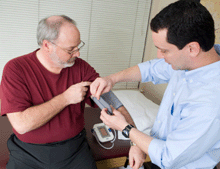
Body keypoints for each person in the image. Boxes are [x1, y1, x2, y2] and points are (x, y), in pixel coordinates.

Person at [0, 15, 145, 169]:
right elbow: (21, 125)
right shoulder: (16, 69)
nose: (77, 54)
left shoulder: (81, 67)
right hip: (28, 153)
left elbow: (114, 103)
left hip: (74, 150)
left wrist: (136, 142)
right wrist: (66, 98)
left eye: (78, 46)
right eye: (71, 49)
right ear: (47, 45)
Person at [90, 0, 220, 168]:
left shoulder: (210, 103)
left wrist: (126, 128)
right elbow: (150, 69)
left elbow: (168, 156)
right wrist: (112, 79)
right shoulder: (195, 60)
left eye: (165, 50)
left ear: (192, 49)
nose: (159, 56)